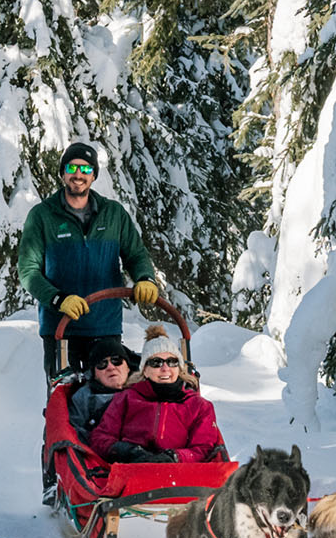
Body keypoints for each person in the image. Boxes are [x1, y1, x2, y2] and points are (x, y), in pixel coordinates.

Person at [17, 142, 160, 381]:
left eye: (85, 170)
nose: (78, 175)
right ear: (63, 173)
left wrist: (145, 278)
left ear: (94, 175)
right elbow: (28, 271)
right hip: (61, 330)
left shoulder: (113, 214)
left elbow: (135, 255)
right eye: (72, 168)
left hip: (105, 328)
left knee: (110, 401)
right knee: (64, 402)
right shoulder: (42, 216)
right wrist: (58, 299)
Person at [90, 327, 227, 465]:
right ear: (145, 370)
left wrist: (175, 456)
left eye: (172, 362)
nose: (165, 368)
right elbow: (101, 438)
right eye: (156, 363)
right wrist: (126, 451)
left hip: (182, 476)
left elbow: (204, 448)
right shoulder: (126, 398)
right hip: (131, 471)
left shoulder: (198, 406)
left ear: (179, 368)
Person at [68, 338, 136, 440]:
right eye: (102, 364)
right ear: (95, 374)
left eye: (116, 360)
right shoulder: (83, 398)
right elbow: (76, 438)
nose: (110, 367)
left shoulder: (145, 390)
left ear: (128, 367)